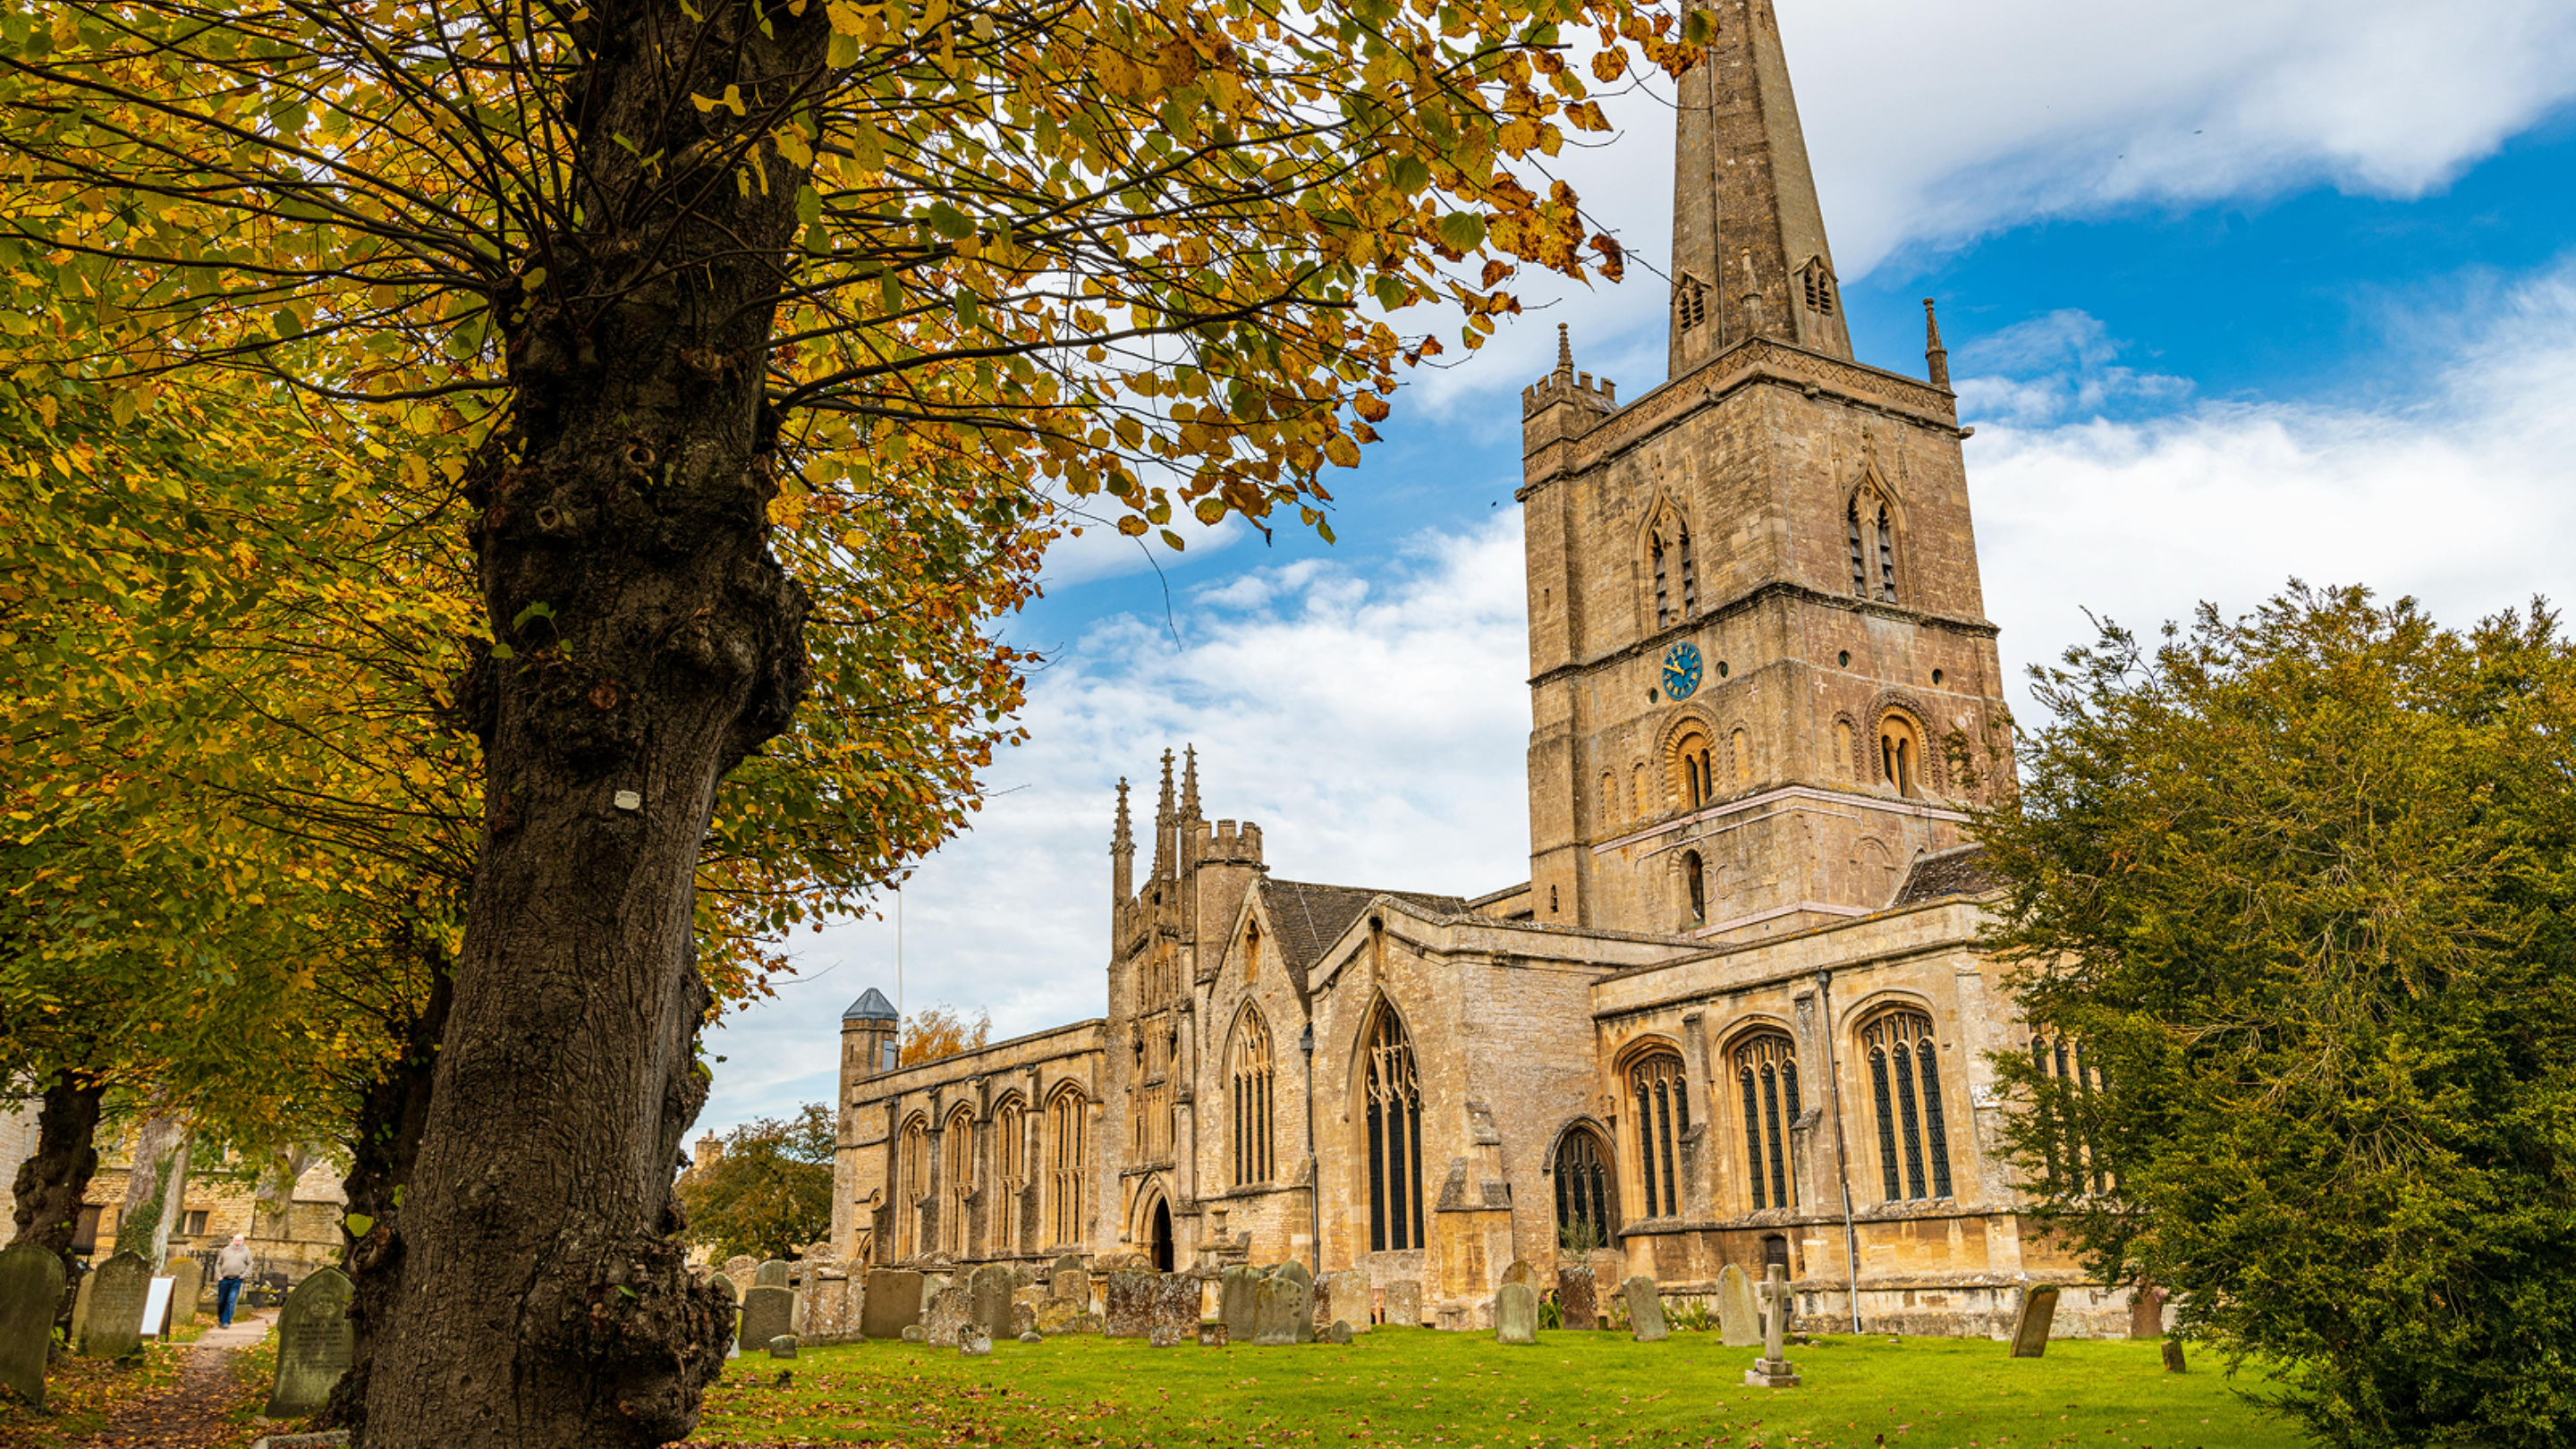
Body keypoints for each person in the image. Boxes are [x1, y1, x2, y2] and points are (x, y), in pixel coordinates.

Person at [214, 1233, 253, 1327]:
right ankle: (221, 1319)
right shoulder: (226, 1250)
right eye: (236, 1240)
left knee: (231, 1300)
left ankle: (226, 1321)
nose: (237, 1243)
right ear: (233, 1240)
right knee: (221, 1301)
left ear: (243, 1241)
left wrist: (243, 1276)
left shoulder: (246, 1251)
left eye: (240, 1241)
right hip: (224, 1279)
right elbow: (218, 1263)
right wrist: (219, 1275)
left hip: (236, 1279)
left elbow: (250, 1264)